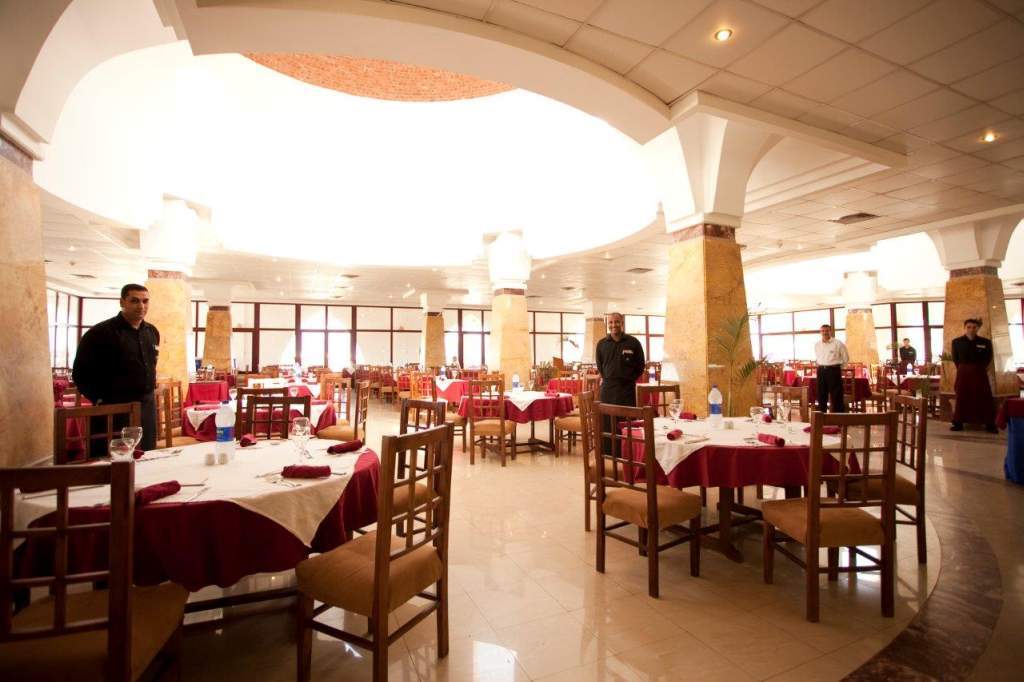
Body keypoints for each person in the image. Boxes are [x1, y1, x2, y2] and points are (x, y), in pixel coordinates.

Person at [73, 284, 160, 453]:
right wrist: (98, 399)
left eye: (145, 301)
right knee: (112, 456)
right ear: (122, 302)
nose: (141, 306)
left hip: (146, 407)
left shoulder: (152, 332)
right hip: (113, 407)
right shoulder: (100, 333)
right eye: (134, 301)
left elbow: (151, 365)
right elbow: (80, 372)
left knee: (147, 454)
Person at [595, 313, 645, 453]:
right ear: (607, 324)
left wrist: (629, 379)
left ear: (622, 323)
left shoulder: (633, 342)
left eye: (616, 322)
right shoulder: (601, 344)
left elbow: (640, 365)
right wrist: (609, 377)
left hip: (627, 389)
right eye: (611, 322)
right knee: (607, 423)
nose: (613, 325)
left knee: (627, 422)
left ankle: (627, 453)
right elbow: (600, 366)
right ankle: (609, 453)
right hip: (608, 389)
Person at [951, 318, 997, 433]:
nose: (971, 329)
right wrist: (963, 368)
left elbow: (988, 357)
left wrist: (979, 367)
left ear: (978, 328)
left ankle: (989, 424)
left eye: (974, 327)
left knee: (984, 396)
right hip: (963, 373)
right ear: (964, 328)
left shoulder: (985, 342)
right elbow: (955, 358)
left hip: (980, 372)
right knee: (962, 396)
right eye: (969, 327)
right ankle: (958, 423)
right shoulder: (956, 342)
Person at [814, 324, 849, 413]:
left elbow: (846, 358)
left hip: (834, 371)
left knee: (836, 396)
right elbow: (818, 358)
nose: (825, 332)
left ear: (830, 332)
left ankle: (838, 418)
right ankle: (821, 417)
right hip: (821, 371)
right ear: (820, 332)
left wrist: (838, 368)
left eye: (827, 331)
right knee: (821, 395)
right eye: (823, 331)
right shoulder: (817, 345)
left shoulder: (838, 343)